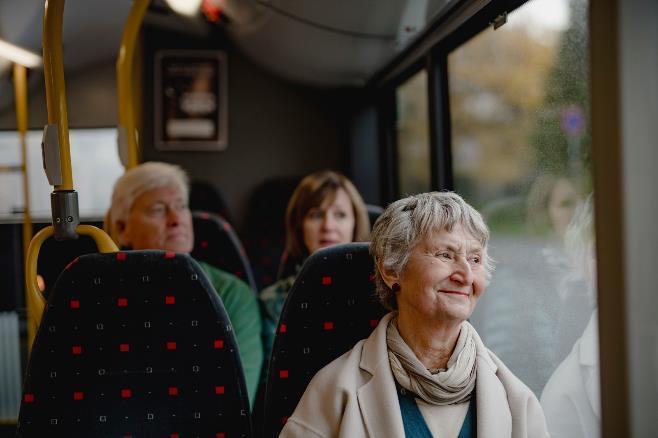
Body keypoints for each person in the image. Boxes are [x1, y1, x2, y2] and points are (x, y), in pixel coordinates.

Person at [280, 191, 549, 438]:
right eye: (446, 254)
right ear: (391, 270)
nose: (466, 275)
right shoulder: (333, 391)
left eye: (475, 259)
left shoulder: (518, 401)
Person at [106, 161, 263, 408]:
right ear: (122, 228)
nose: (176, 219)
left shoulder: (232, 294)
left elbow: (237, 401)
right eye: (158, 209)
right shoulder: (102, 295)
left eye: (181, 207)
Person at [259, 170, 370, 356]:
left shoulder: (382, 296)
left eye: (340, 215)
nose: (328, 226)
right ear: (299, 225)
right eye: (316, 215)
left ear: (355, 223)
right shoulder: (271, 302)